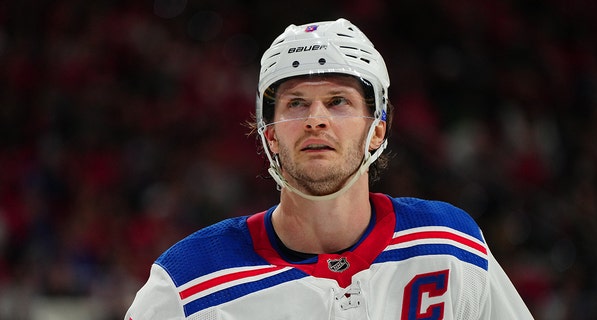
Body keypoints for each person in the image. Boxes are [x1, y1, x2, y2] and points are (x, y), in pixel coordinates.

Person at [125, 18, 534, 319]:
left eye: (338, 101)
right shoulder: (186, 285)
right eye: (296, 103)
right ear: (269, 135)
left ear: (377, 129)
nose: (315, 119)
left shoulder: (451, 246)